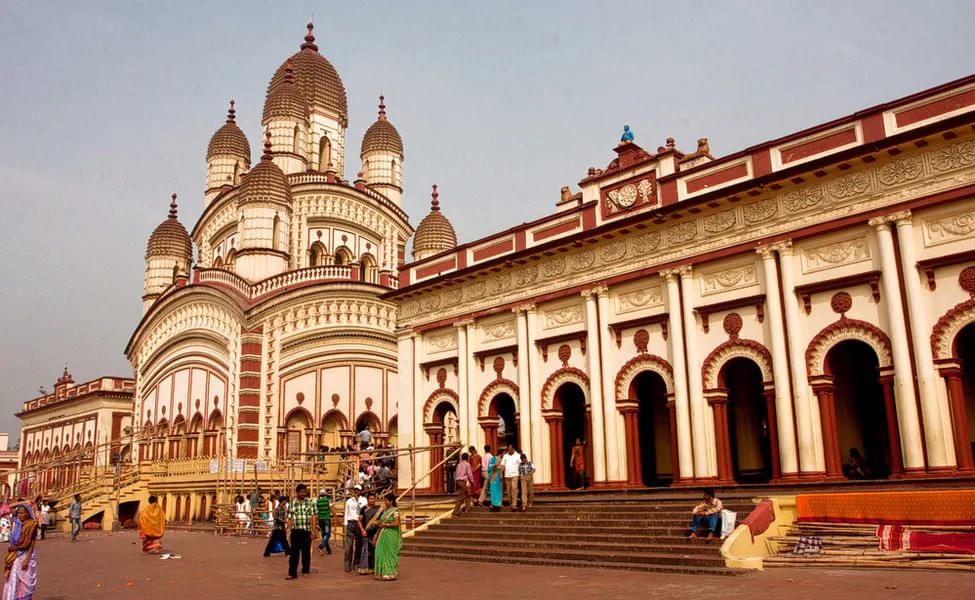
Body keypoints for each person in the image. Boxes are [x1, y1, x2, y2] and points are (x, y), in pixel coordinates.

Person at [3, 503, 37, 600]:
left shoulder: (31, 524)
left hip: (25, 555)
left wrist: (27, 559)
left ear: (28, 514)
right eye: (19, 513)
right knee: (14, 580)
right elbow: (10, 507)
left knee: (26, 582)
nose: (20, 515)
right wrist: (21, 502)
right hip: (15, 555)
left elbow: (31, 543)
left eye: (23, 513)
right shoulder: (18, 524)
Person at [285, 484, 317, 580]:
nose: (304, 493)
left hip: (306, 530)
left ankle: (305, 570)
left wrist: (313, 530)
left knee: (306, 552)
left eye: (305, 491)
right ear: (297, 492)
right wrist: (288, 531)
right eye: (302, 492)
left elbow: (313, 517)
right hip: (295, 531)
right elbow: (290, 518)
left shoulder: (310, 503)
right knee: (294, 553)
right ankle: (292, 573)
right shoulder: (292, 504)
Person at [372, 496, 401, 581]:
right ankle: (381, 572)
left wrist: (385, 525)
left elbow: (396, 523)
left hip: (391, 534)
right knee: (379, 551)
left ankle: (389, 573)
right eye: (384, 501)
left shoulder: (395, 511)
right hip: (383, 533)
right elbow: (382, 521)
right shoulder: (385, 511)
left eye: (386, 501)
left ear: (391, 501)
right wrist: (377, 523)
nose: (385, 502)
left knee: (389, 553)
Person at [343, 485, 367, 573]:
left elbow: (365, 511)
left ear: (361, 491)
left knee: (358, 545)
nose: (356, 492)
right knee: (348, 546)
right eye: (355, 490)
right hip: (351, 522)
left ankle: (356, 563)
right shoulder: (349, 501)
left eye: (358, 490)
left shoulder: (364, 500)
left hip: (359, 523)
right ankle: (347, 565)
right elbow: (346, 512)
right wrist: (346, 523)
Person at [358, 494, 381, 574]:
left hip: (375, 533)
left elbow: (381, 520)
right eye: (370, 499)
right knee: (364, 551)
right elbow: (359, 520)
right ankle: (365, 567)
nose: (372, 500)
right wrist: (362, 530)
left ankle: (373, 567)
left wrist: (377, 523)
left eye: (373, 499)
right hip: (365, 532)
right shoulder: (363, 509)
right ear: (367, 500)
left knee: (374, 551)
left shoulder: (378, 509)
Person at [500, 446, 521, 512]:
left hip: (515, 475)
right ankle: (511, 502)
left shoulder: (517, 455)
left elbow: (520, 465)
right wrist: (501, 473)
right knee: (508, 490)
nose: (509, 450)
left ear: (513, 449)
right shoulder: (505, 456)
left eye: (510, 449)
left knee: (514, 489)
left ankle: (514, 504)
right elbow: (503, 465)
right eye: (508, 449)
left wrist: (520, 473)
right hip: (507, 475)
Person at [452, 453, 474, 517]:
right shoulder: (467, 464)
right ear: (467, 458)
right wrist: (472, 482)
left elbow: (456, 474)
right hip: (462, 481)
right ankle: (454, 513)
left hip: (458, 481)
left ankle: (467, 509)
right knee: (460, 498)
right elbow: (469, 474)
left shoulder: (459, 464)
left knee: (467, 494)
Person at [316, 489, 332, 555]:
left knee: (324, 535)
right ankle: (321, 546)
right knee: (327, 534)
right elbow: (332, 508)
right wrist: (336, 516)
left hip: (320, 518)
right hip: (326, 518)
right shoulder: (328, 500)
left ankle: (328, 549)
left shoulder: (318, 501)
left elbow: (316, 509)